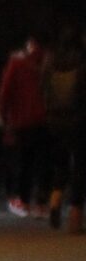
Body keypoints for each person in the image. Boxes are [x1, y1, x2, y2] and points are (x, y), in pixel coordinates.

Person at [0, 34, 51, 215]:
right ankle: (42, 202)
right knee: (44, 162)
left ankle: (24, 201)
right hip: (48, 118)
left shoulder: (17, 63)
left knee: (24, 162)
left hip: (22, 120)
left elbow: (5, 92)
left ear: (30, 44)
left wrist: (4, 118)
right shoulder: (50, 62)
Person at [44, 28, 86, 231]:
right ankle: (75, 217)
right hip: (79, 120)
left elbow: (43, 91)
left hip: (54, 120)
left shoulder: (50, 62)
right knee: (80, 166)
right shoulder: (82, 62)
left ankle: (55, 201)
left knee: (60, 164)